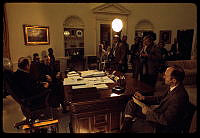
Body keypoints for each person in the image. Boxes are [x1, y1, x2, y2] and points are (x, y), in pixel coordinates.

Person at [121, 65, 190, 133]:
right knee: (131, 103)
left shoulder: (179, 97)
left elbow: (166, 120)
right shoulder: (173, 87)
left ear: (174, 80)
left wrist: (148, 113)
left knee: (132, 123)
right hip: (157, 115)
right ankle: (127, 126)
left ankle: (127, 126)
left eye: (166, 76)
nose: (163, 77)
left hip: (160, 127)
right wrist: (143, 98)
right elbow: (160, 99)